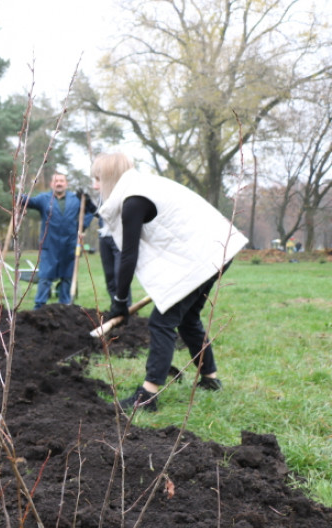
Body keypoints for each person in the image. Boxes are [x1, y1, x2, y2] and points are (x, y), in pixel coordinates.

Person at [92, 153, 248, 411]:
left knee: (161, 321)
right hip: (218, 250)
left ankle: (148, 396)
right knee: (188, 318)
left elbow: (129, 255)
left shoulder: (134, 200)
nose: (95, 186)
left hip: (205, 254)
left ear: (109, 177)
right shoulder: (145, 186)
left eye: (98, 179)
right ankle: (210, 379)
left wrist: (120, 302)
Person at [19, 172, 94, 310]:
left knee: (67, 277)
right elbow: (29, 202)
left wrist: (82, 226)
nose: (59, 183)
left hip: (70, 244)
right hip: (49, 244)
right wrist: (18, 196)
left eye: (61, 181)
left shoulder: (76, 199)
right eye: (56, 181)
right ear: (51, 184)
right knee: (45, 277)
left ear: (66, 184)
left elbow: (91, 211)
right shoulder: (44, 198)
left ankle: (64, 307)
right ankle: (39, 307)